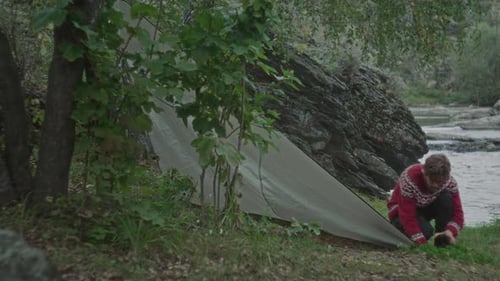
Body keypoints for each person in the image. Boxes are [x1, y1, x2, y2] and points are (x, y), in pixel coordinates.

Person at [387, 153, 464, 246]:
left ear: (446, 177)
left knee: (446, 198)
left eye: (439, 182)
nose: (435, 185)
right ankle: (399, 228)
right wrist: (421, 242)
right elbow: (407, 215)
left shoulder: (449, 182)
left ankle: (441, 240)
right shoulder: (409, 178)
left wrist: (451, 231)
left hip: (424, 207)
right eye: (432, 180)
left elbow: (458, 212)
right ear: (424, 173)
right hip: (400, 211)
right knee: (426, 232)